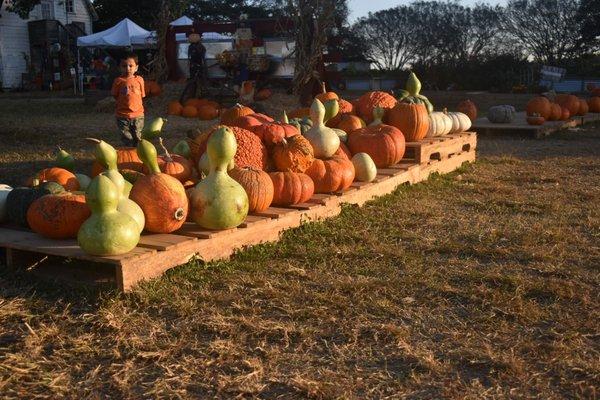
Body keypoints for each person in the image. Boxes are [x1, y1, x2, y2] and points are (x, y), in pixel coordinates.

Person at [111, 52, 145, 147]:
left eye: (131, 66)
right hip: (122, 115)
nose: (127, 68)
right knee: (126, 136)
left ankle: (137, 151)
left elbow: (142, 95)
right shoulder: (118, 81)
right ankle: (129, 151)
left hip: (138, 115)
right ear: (119, 67)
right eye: (124, 66)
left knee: (137, 136)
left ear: (136, 67)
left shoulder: (140, 80)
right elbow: (115, 95)